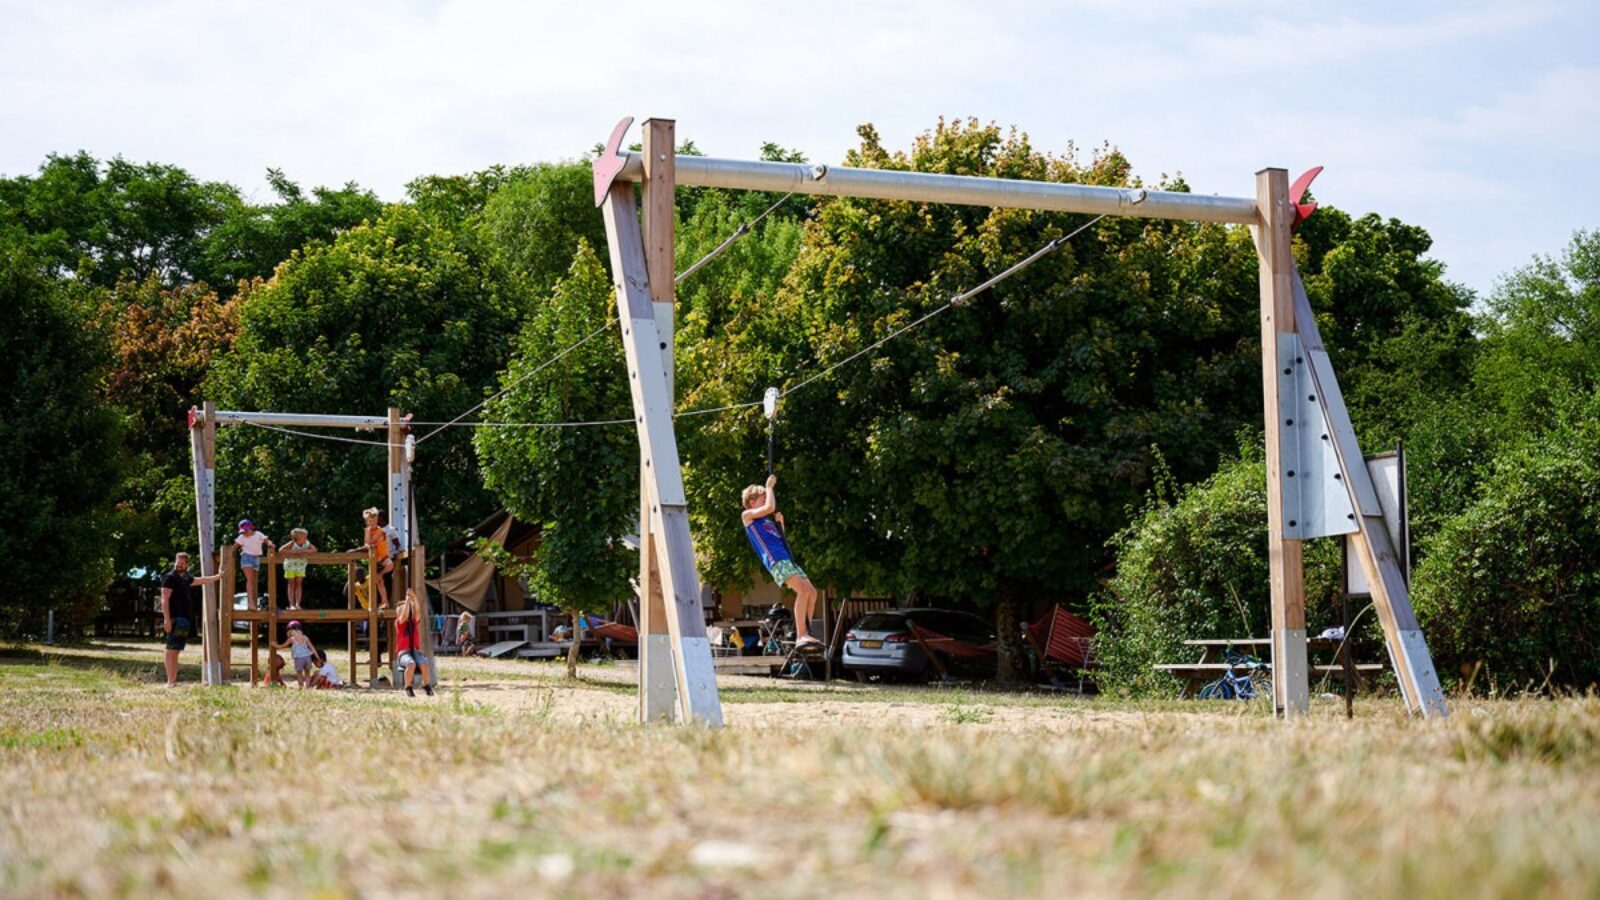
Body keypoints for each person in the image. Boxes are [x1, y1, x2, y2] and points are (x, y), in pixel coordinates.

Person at [740, 473, 823, 650]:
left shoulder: (765, 521)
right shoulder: (748, 517)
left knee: (812, 592)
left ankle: (806, 631)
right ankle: (801, 635)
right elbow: (770, 507)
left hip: (787, 558)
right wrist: (769, 487)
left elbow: (780, 538)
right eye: (762, 499)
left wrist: (780, 524)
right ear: (752, 502)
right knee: (801, 590)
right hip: (776, 561)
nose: (766, 501)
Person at [159, 551, 222, 687]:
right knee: (171, 649)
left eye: (182, 563)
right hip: (174, 618)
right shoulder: (170, 578)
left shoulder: (186, 578)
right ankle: (170, 681)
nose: (179, 565)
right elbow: (164, 599)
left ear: (187, 565)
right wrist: (167, 619)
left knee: (176, 650)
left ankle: (173, 681)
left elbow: (202, 580)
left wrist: (218, 576)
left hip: (185, 619)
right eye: (177, 562)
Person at [352, 508, 395, 609]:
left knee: (389, 565)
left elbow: (370, 541)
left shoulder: (380, 530)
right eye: (370, 521)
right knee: (379, 583)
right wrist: (367, 541)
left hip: (383, 557)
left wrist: (367, 543)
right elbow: (366, 542)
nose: (373, 523)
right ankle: (385, 602)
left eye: (375, 520)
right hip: (375, 560)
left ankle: (381, 574)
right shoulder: (367, 530)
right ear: (367, 522)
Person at [395, 589, 434, 697]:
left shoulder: (414, 621)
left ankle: (426, 685)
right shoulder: (399, 622)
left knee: (425, 663)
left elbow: (417, 611)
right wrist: (407, 601)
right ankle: (408, 687)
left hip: (415, 651)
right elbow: (403, 615)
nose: (408, 611)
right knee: (411, 664)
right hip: (404, 653)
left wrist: (414, 597)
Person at [233, 520, 274, 611]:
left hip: (256, 558)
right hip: (246, 557)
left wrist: (270, 544)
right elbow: (234, 547)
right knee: (250, 580)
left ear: (251, 528)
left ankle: (252, 603)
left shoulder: (258, 534)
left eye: (246, 531)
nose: (245, 533)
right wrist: (231, 557)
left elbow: (266, 541)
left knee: (253, 581)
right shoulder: (241, 537)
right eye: (243, 531)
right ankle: (250, 603)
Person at [272, 621, 319, 689]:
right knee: (307, 673)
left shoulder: (292, 639)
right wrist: (317, 656)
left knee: (299, 674)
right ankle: (308, 687)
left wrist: (274, 645)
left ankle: (301, 687)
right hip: (307, 658)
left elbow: (281, 646)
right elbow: (312, 648)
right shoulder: (305, 637)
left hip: (299, 659)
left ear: (290, 631)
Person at [280, 528, 317, 611]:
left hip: (301, 566)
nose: (306, 539)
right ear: (298, 538)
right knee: (291, 584)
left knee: (299, 584)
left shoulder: (307, 543)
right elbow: (281, 550)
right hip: (290, 566)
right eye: (304, 537)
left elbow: (314, 549)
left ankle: (297, 604)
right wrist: (294, 552)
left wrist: (305, 551)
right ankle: (291, 604)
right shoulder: (292, 543)